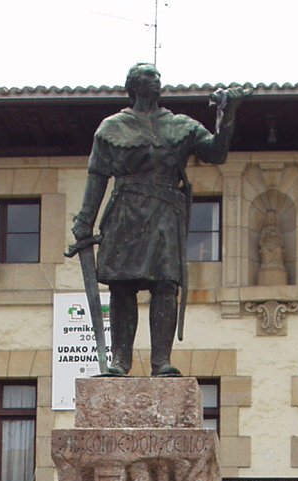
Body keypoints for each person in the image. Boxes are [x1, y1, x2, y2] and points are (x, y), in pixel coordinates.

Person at [72, 63, 248, 376]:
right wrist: (85, 219)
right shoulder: (111, 127)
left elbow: (215, 153)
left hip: (167, 210)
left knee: (166, 284)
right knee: (122, 286)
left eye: (155, 77)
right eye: (145, 77)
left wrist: (227, 116)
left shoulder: (180, 125)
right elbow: (97, 176)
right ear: (132, 86)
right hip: (126, 211)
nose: (152, 81)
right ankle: (120, 361)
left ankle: (160, 362)